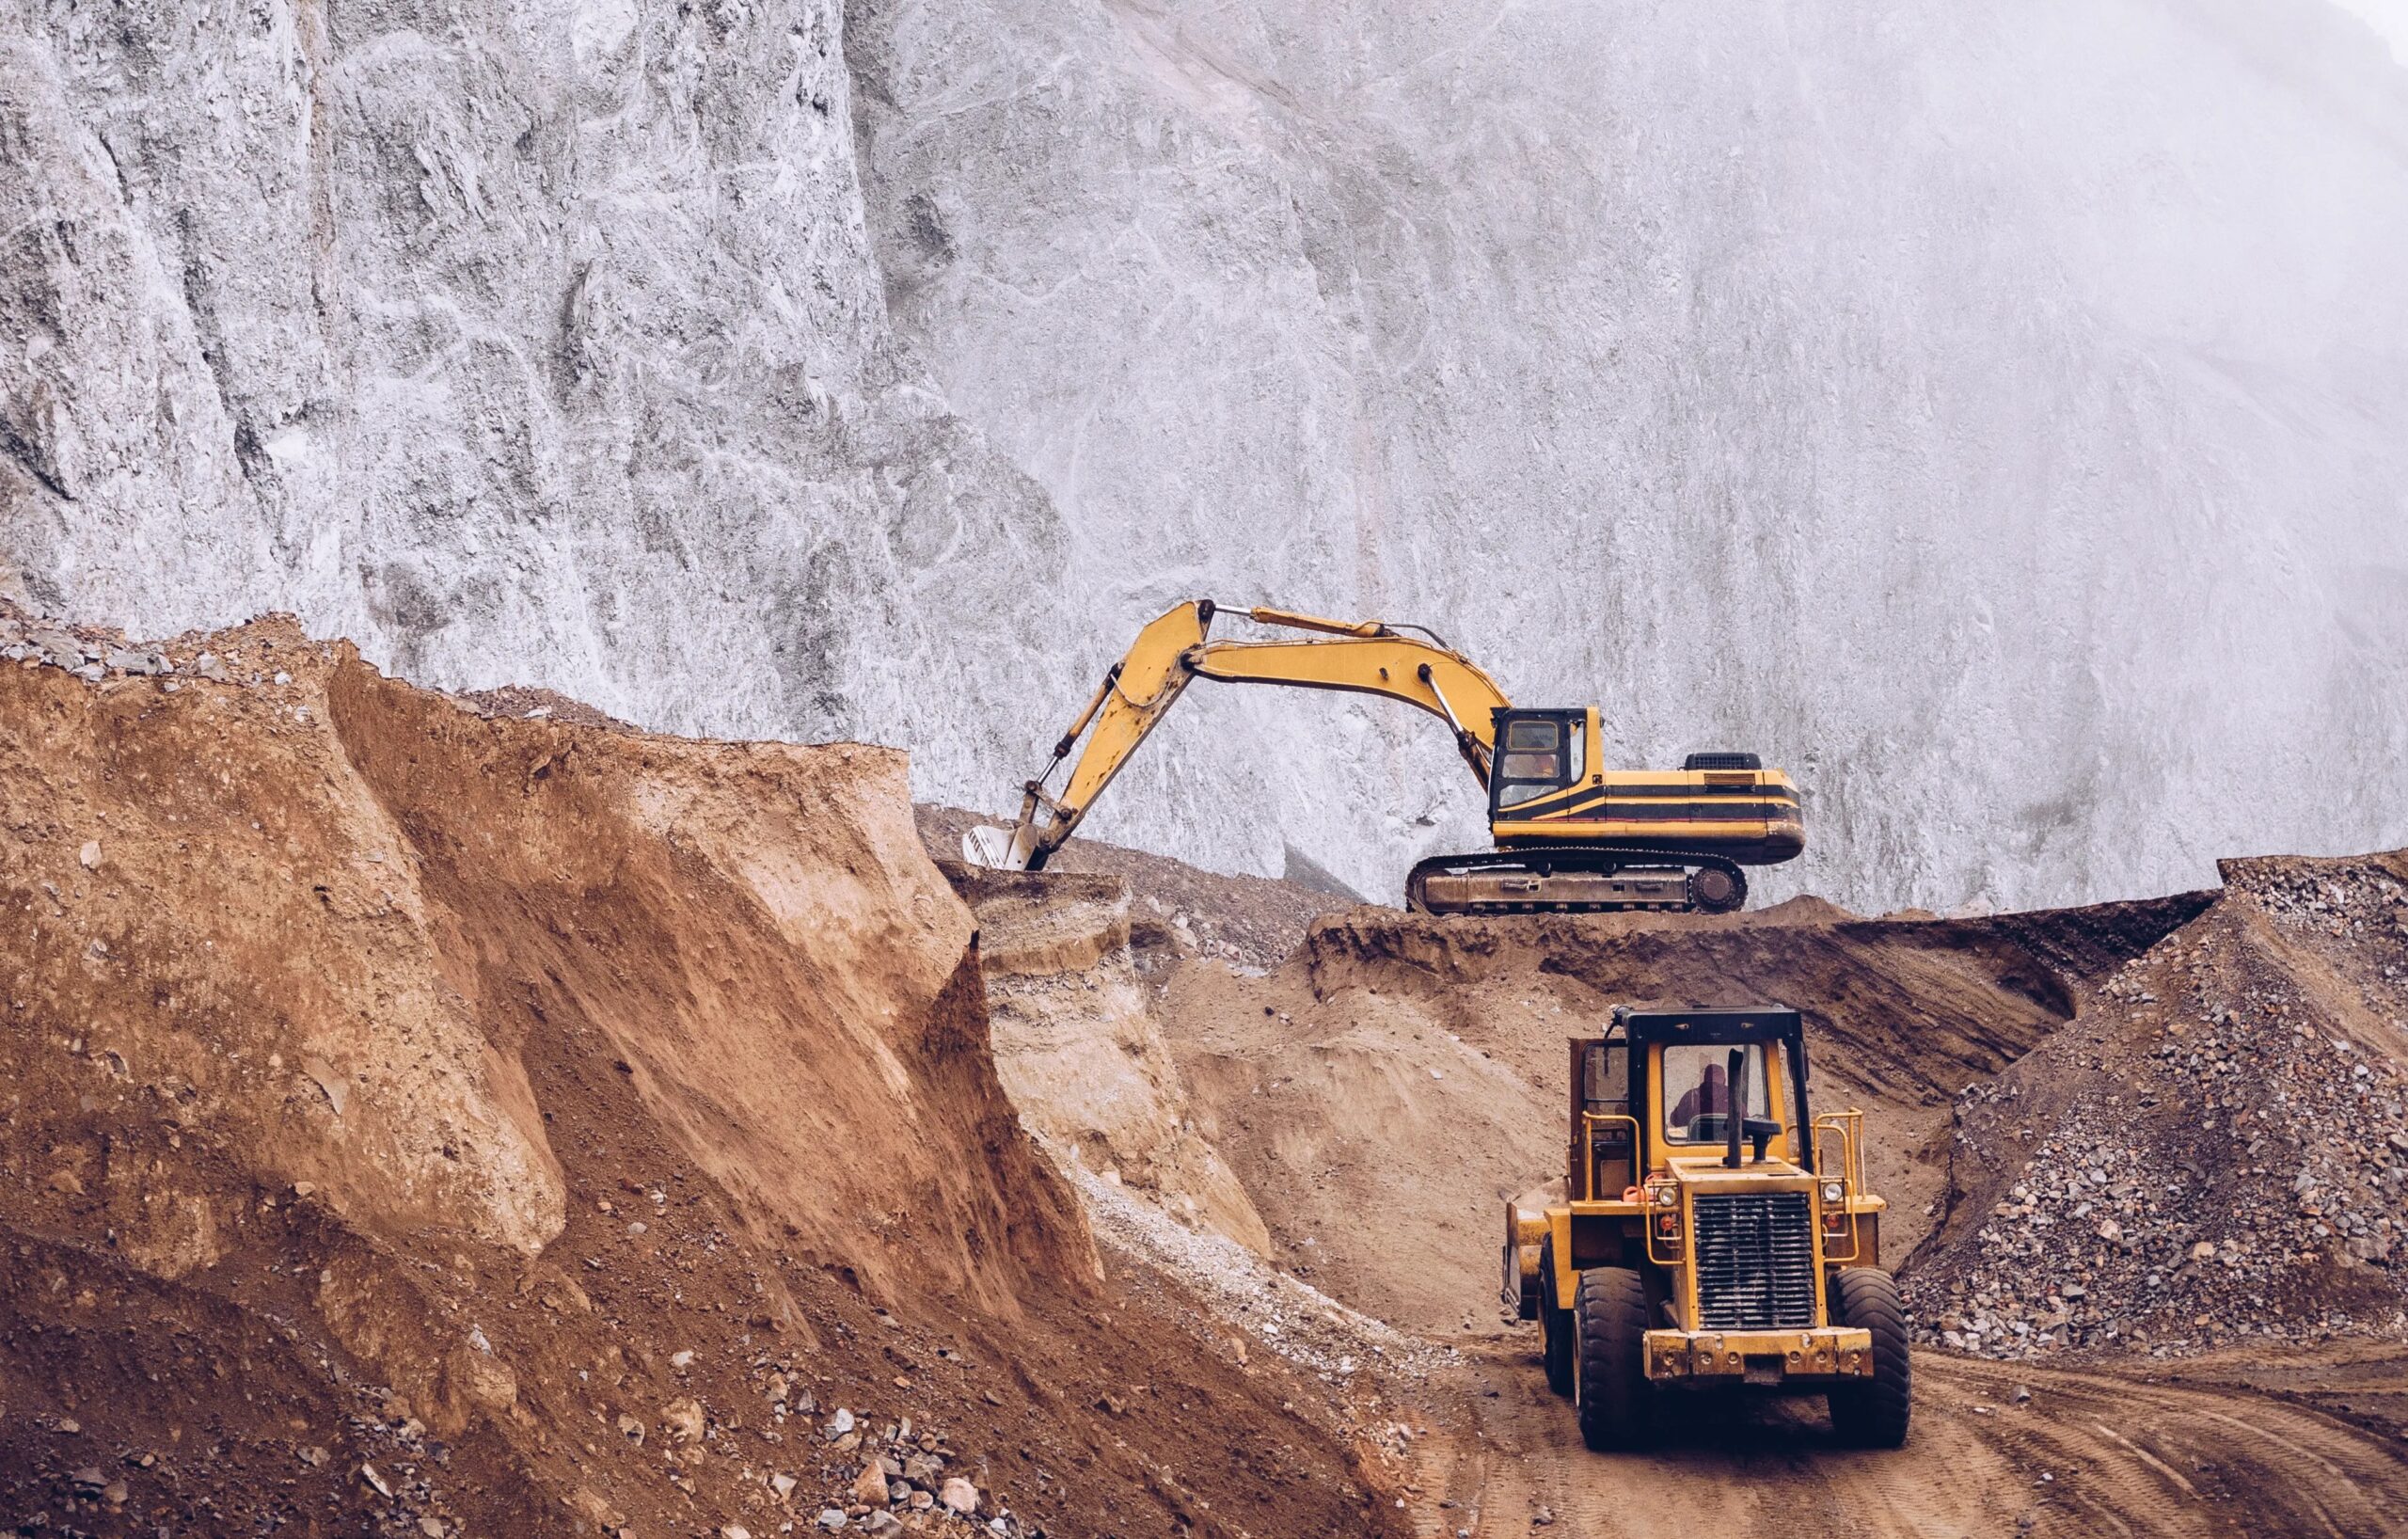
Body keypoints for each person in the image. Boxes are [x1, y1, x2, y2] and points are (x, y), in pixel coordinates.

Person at [1671, 1061, 1727, 1127]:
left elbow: (1676, 1121)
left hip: (1697, 1133)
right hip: (1728, 1134)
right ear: (1724, 1081)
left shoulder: (1690, 1096)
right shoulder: (1734, 1098)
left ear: (1704, 1078)